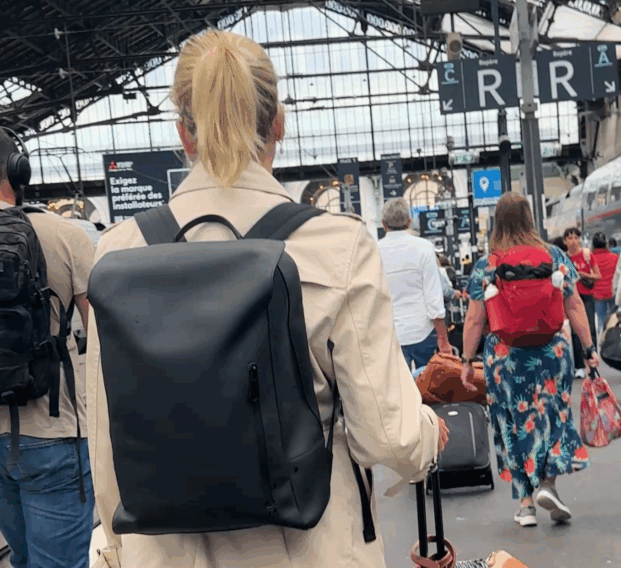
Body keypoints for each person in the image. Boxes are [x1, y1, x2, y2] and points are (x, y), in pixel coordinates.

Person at [85, 29, 446, 568]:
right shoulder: (337, 245)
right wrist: (429, 436)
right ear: (278, 121)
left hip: (169, 555)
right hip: (311, 548)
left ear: (185, 134)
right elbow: (387, 437)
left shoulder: (119, 253)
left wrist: (115, 551)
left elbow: (106, 443)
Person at [459, 193, 598, 528]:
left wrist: (466, 360)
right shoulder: (555, 255)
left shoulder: (487, 265)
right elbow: (575, 306)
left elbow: (475, 320)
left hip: (505, 357)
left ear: (498, 221)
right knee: (551, 416)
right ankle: (548, 483)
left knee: (512, 424)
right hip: (553, 352)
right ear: (530, 219)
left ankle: (525, 505)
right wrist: (590, 350)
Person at [0, 129, 97, 568]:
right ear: (19, 171)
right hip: (54, 431)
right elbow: (104, 336)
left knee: (21, 560)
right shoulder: (64, 234)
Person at [379, 198, 453, 369]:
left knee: (400, 391)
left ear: (384, 224)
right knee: (428, 388)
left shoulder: (375, 251)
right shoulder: (425, 248)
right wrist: (443, 341)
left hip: (392, 335)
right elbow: (433, 297)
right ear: (409, 222)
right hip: (423, 332)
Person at [564, 227, 601, 378]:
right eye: (570, 238)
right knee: (574, 332)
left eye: (575, 237)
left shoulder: (586, 255)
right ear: (565, 241)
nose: (573, 240)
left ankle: (591, 361)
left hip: (587, 295)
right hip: (571, 297)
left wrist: (585, 275)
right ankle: (579, 366)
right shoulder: (564, 258)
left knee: (589, 328)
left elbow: (598, 276)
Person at [591, 232, 619, 331]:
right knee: (614, 319)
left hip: (597, 294)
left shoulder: (591, 259)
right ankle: (613, 340)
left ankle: (601, 343)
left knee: (600, 321)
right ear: (606, 244)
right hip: (612, 292)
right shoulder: (615, 257)